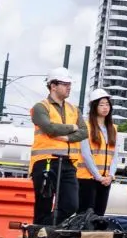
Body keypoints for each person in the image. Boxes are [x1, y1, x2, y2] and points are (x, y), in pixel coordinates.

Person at [29, 66, 84, 229]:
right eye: (65, 84)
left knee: (71, 205)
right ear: (53, 85)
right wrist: (72, 127)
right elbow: (49, 129)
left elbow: (84, 131)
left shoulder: (74, 109)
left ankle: (43, 229)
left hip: (68, 163)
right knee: (43, 205)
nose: (69, 87)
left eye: (69, 84)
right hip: (45, 162)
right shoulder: (41, 107)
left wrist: (66, 136)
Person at [76, 89, 118, 217]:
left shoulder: (113, 128)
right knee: (84, 216)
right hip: (87, 179)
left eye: (107, 104)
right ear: (94, 107)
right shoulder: (86, 126)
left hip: (106, 180)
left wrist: (110, 176)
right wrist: (98, 176)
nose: (106, 107)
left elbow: (115, 154)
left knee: (99, 216)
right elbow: (85, 153)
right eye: (101, 104)